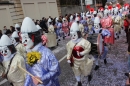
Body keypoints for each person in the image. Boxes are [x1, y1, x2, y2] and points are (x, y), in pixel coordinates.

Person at [20, 17, 60, 86]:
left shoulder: (46, 53)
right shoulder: (27, 55)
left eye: (25, 39)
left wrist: (42, 78)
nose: (23, 42)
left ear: (33, 37)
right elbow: (29, 74)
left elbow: (56, 70)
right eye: (22, 38)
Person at [66, 22, 93, 86]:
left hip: (83, 61)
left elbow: (88, 48)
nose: (73, 37)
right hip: (75, 61)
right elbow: (69, 52)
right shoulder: (70, 43)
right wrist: (68, 58)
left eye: (74, 35)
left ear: (78, 34)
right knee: (76, 73)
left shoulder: (84, 42)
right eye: (71, 35)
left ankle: (89, 74)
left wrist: (82, 53)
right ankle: (79, 82)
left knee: (86, 71)